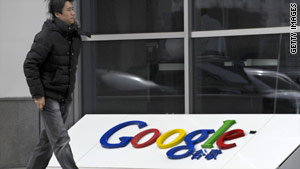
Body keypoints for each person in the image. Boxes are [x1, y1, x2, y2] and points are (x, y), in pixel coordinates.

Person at [23, 0, 89, 168]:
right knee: (61, 140)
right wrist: (38, 94)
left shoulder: (73, 36)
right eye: (69, 10)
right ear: (58, 14)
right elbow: (30, 64)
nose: (73, 13)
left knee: (46, 143)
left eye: (73, 9)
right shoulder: (47, 36)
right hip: (48, 97)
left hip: (64, 96)